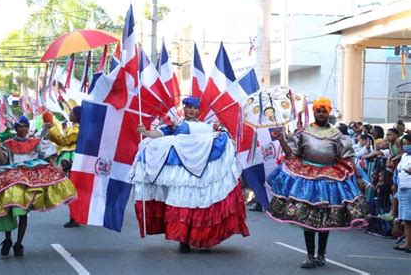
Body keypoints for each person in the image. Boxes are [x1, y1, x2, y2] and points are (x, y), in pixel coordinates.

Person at [131, 96, 249, 252]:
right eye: (190, 107)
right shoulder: (175, 123)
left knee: (202, 201)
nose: (193, 111)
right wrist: (145, 132)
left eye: (195, 108)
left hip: (202, 170)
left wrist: (223, 134)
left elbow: (220, 137)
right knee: (184, 201)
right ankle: (183, 239)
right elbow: (160, 133)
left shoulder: (207, 126)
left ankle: (202, 236)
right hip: (183, 172)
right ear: (184, 108)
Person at [267, 98, 367, 268]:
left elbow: (347, 158)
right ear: (314, 113)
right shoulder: (303, 132)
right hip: (307, 178)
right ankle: (310, 256)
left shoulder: (337, 135)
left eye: (324, 111)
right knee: (308, 220)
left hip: (329, 178)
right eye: (318, 111)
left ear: (329, 113)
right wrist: (281, 139)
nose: (321, 114)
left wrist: (358, 177)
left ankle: (321, 255)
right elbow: (292, 155)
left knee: (325, 219)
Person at [0, 116, 77, 257]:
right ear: (16, 129)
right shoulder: (7, 143)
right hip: (11, 179)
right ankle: (8, 240)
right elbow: (3, 162)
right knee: (9, 211)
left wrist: (57, 168)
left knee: (23, 213)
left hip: (29, 180)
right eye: (21, 126)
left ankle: (19, 243)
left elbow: (49, 158)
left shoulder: (36, 142)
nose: (24, 129)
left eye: (26, 126)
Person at [45, 107, 81, 228]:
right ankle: (75, 216)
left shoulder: (76, 128)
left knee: (74, 188)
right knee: (73, 188)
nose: (69, 114)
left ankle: (75, 217)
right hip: (72, 160)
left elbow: (64, 141)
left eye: (71, 112)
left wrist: (52, 130)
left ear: (76, 115)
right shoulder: (74, 127)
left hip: (72, 160)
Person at [394, 134, 411, 252]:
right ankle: (407, 242)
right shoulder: (404, 155)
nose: (406, 146)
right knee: (406, 218)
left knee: (409, 218)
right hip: (402, 188)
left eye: (408, 143)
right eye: (404, 144)